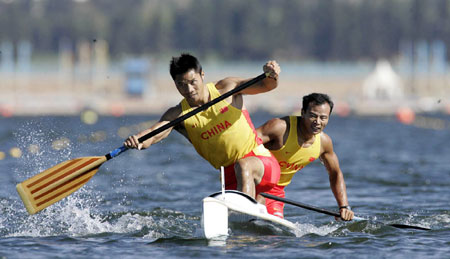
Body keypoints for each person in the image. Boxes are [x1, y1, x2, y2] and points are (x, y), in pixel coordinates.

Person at [124, 53, 281, 200]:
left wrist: (272, 74)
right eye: (182, 85)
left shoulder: (227, 88)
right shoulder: (178, 115)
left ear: (202, 75)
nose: (189, 90)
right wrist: (136, 140)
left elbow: (265, 85)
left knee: (243, 165)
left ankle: (244, 213)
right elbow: (153, 134)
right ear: (175, 84)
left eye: (193, 82)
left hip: (262, 163)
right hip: (230, 179)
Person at [256, 93, 354, 220]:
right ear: (302, 113)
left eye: (323, 118)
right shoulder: (279, 127)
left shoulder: (324, 143)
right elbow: (244, 144)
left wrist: (344, 207)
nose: (317, 122)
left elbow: (335, 173)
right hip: (250, 182)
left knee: (275, 237)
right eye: (313, 116)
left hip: (275, 193)